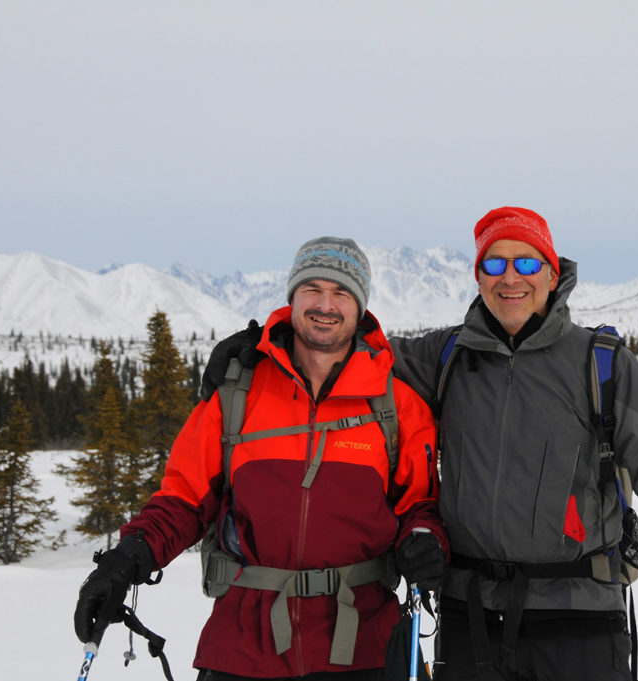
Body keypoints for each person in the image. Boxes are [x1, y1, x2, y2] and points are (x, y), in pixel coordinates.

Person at [202, 209, 638, 681]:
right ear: (478, 276)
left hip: (580, 617)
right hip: (468, 612)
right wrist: (260, 345)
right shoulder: (446, 356)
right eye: (494, 264)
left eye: (526, 264)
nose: (510, 278)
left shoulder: (601, 363)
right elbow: (347, 349)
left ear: (553, 273)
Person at [74, 237, 449, 681]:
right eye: (312, 289)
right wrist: (127, 560)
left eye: (342, 292)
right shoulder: (238, 395)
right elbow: (183, 500)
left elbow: (419, 507)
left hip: (363, 643)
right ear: (292, 297)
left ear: (360, 307)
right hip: (245, 644)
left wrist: (425, 541)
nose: (325, 305)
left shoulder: (395, 406)